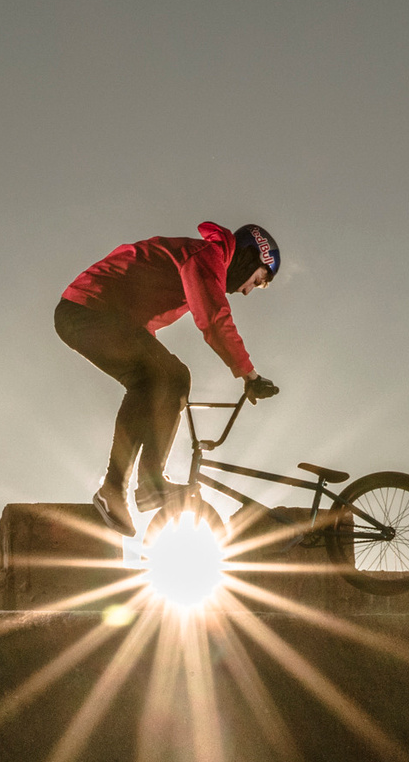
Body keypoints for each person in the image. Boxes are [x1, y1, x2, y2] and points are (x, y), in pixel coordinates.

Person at [55, 221, 280, 534]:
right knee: (172, 377)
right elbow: (213, 319)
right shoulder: (205, 257)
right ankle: (143, 484)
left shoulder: (198, 259)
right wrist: (249, 375)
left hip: (93, 312)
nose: (245, 291)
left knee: (157, 381)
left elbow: (139, 308)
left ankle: (127, 487)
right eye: (255, 282)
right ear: (248, 259)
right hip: (89, 309)